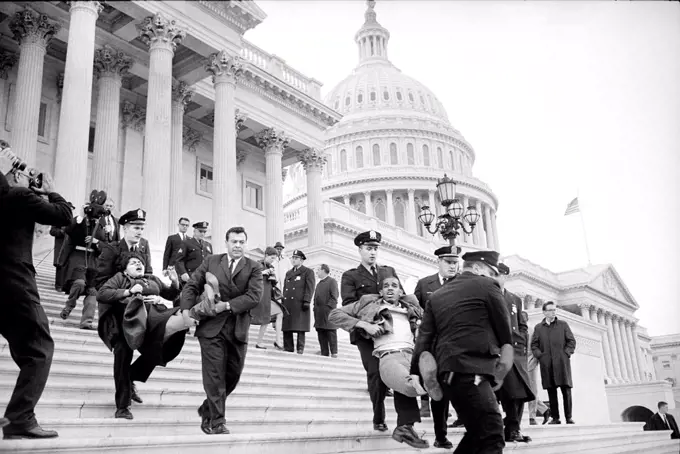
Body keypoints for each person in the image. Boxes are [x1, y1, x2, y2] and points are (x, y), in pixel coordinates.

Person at [411, 250, 514, 454]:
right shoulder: (487, 286)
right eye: (491, 272)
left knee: (477, 433)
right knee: (493, 431)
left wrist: (415, 372)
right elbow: (505, 332)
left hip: (447, 374)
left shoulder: (438, 295)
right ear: (477, 268)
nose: (495, 278)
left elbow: (424, 337)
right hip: (475, 371)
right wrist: (503, 363)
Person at [0, 156, 72, 439]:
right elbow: (64, 216)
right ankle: (19, 417)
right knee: (39, 349)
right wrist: (50, 189)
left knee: (27, 351)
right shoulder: (18, 195)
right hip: (14, 284)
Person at [180, 226, 263, 435]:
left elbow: (254, 297)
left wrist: (226, 305)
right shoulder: (211, 261)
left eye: (241, 242)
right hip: (211, 328)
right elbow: (192, 285)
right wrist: (185, 311)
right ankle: (217, 422)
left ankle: (206, 408)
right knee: (214, 376)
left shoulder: (254, 267)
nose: (237, 245)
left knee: (232, 377)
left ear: (245, 244)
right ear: (226, 242)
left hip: (237, 328)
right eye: (233, 241)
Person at [330, 276, 428, 448]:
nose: (390, 288)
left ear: (401, 292)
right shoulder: (369, 305)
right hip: (388, 355)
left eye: (395, 286)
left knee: (415, 379)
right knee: (408, 383)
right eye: (386, 286)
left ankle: (405, 427)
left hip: (411, 354)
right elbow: (334, 314)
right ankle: (423, 388)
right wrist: (364, 325)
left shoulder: (412, 308)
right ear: (380, 292)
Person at [96, 251, 196, 419]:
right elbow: (102, 294)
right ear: (126, 268)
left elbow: (171, 294)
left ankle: (132, 376)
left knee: (162, 347)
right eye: (133, 262)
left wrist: (174, 281)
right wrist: (128, 292)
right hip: (126, 325)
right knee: (121, 358)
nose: (138, 264)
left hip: (153, 321)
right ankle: (122, 407)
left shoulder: (152, 279)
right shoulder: (120, 278)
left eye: (140, 262)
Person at [340, 230, 400, 432]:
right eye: (368, 248)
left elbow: (401, 295)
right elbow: (349, 303)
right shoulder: (351, 276)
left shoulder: (388, 272)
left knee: (391, 370)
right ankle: (379, 417)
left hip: (389, 331)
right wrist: (373, 309)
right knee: (374, 370)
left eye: (375, 248)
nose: (372, 252)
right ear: (360, 250)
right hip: (365, 333)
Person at [412, 245, 459, 448]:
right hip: (433, 347)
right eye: (448, 262)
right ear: (438, 262)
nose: (452, 266)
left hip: (458, 346)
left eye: (455, 262)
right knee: (438, 392)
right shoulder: (424, 285)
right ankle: (441, 436)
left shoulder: (463, 285)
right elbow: (414, 310)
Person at [494, 262, 534, 443]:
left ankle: (513, 428)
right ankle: (511, 428)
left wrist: (523, 340)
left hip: (517, 351)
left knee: (521, 392)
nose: (496, 278)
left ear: (505, 277)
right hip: (498, 350)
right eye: (493, 275)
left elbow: (522, 324)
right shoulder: (487, 296)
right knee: (511, 391)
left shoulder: (515, 299)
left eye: (499, 275)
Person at [58, 203, 107, 330]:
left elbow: (106, 246)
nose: (96, 219)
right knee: (79, 283)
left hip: (93, 261)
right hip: (77, 257)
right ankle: (69, 306)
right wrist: (79, 217)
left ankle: (87, 322)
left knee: (92, 292)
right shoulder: (79, 222)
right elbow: (68, 230)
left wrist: (97, 242)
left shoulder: (102, 227)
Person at [530, 301, 576, 425]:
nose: (553, 312)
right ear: (544, 312)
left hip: (562, 363)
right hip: (547, 364)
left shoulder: (563, 325)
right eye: (550, 310)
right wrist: (541, 356)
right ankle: (555, 418)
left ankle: (569, 417)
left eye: (554, 310)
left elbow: (571, 341)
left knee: (566, 390)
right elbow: (534, 345)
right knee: (551, 391)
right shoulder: (538, 328)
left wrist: (566, 353)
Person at [95, 209, 153, 290]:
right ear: (125, 229)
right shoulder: (111, 249)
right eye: (136, 228)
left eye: (142, 229)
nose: (140, 232)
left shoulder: (144, 246)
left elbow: (148, 275)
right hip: (116, 298)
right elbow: (101, 282)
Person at [251, 246, 285, 350]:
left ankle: (277, 341)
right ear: (266, 255)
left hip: (268, 296)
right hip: (258, 296)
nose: (273, 260)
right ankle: (259, 341)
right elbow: (249, 277)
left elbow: (273, 282)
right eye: (271, 258)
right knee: (252, 317)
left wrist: (273, 276)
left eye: (274, 258)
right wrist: (262, 273)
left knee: (279, 313)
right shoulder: (257, 264)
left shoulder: (270, 267)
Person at [281, 249, 315, 354]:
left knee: (300, 326)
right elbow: (285, 287)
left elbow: (310, 287)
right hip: (288, 303)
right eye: (293, 258)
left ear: (302, 260)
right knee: (287, 326)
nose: (293, 260)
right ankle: (288, 347)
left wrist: (307, 300)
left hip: (300, 303)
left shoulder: (307, 272)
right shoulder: (289, 273)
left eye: (296, 258)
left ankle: (300, 348)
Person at [525, 311, 551, 425]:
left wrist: (536, 360)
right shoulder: (516, 331)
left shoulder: (532, 331)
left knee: (531, 390)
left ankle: (532, 416)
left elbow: (536, 348)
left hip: (530, 363)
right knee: (525, 390)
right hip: (519, 364)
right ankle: (544, 409)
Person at [313, 264, 339, 358]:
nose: (317, 272)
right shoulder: (319, 284)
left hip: (328, 313)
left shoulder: (332, 281)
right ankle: (324, 352)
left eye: (318, 270)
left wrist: (328, 308)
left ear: (323, 270)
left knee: (330, 332)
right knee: (321, 332)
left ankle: (334, 352)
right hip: (319, 313)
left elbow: (334, 297)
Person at [49, 225, 68, 291]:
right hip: (61, 245)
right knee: (60, 264)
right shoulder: (61, 217)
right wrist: (62, 231)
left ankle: (66, 285)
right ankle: (59, 285)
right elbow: (52, 231)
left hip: (71, 245)